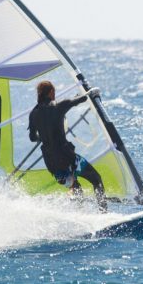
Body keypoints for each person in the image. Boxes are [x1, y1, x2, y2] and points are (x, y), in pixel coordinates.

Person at [28, 80, 107, 211]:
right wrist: (93, 92)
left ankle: (80, 215)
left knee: (77, 188)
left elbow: (32, 138)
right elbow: (80, 100)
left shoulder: (33, 114)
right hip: (68, 159)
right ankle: (104, 213)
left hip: (53, 165)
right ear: (51, 92)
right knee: (96, 180)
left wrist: (44, 137)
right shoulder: (58, 106)